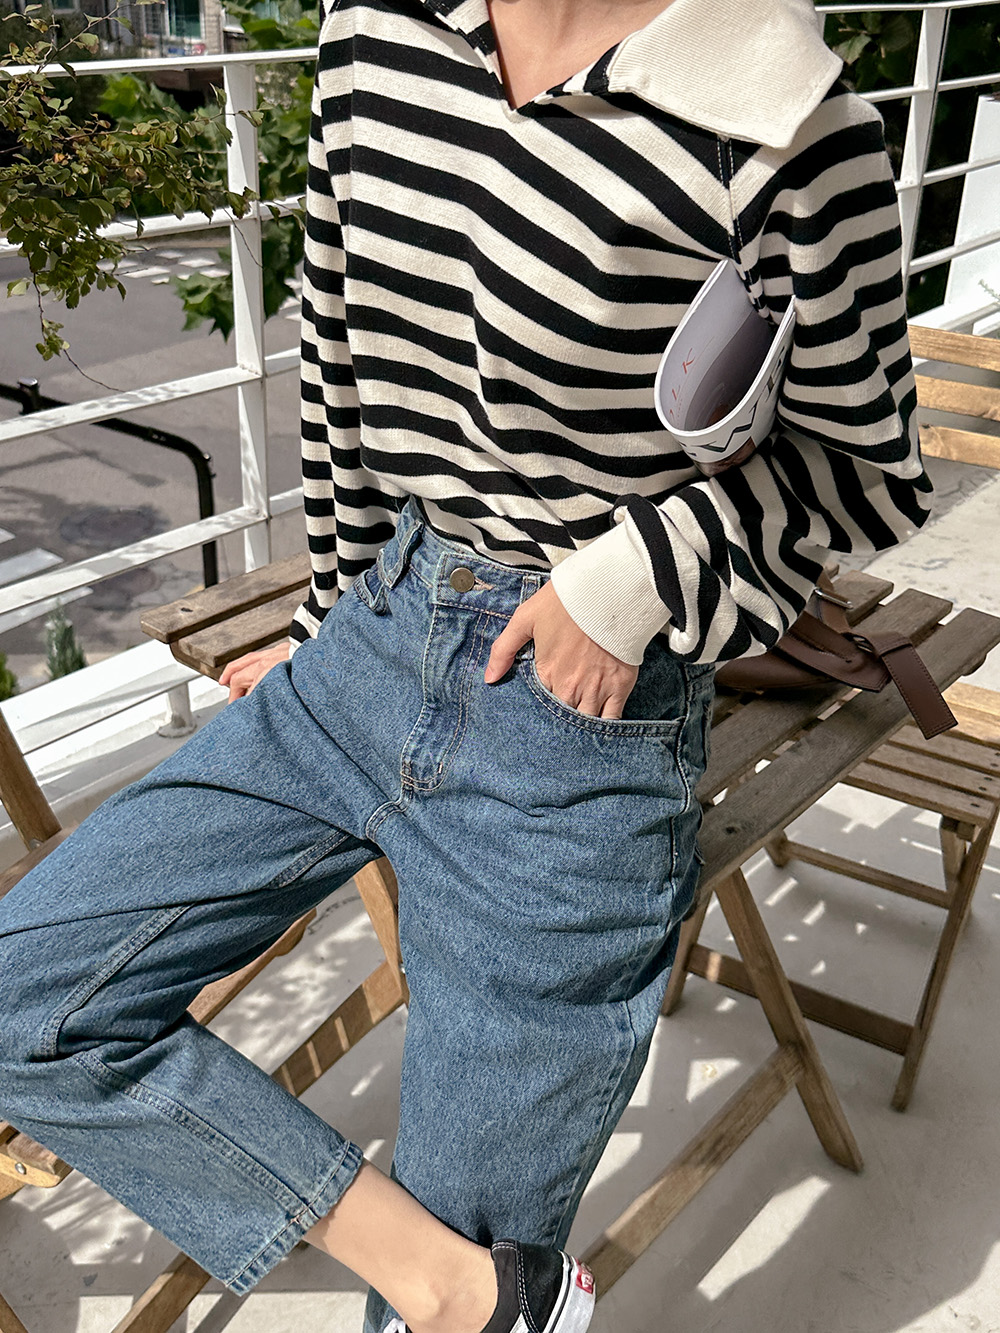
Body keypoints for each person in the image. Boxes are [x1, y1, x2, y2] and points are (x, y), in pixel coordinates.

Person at [0, 0, 932, 1329]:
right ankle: (463, 1288)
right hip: (378, 630)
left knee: (451, 1259)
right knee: (27, 998)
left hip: (580, 715)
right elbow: (337, 371)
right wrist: (326, 625)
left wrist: (625, 584)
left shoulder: (781, 117)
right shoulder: (372, 33)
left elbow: (866, 474)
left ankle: (459, 1292)